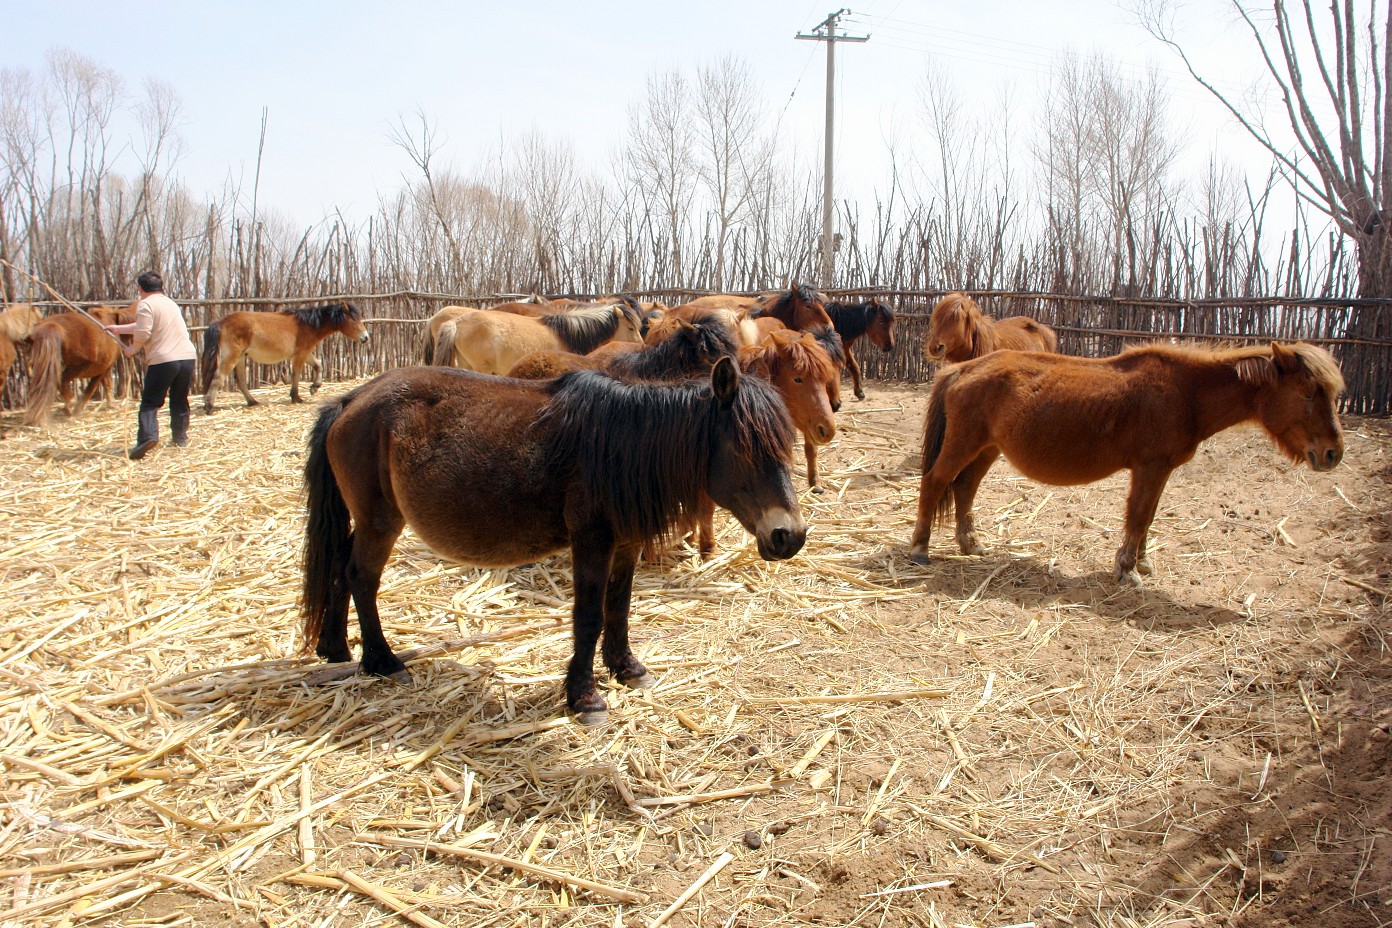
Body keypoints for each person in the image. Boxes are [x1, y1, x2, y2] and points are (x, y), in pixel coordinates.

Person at [104, 271, 197, 460]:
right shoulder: (169, 303)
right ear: (160, 287)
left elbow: (144, 332)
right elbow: (146, 325)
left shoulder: (145, 304)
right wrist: (118, 329)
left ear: (140, 288)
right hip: (187, 357)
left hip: (164, 360)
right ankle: (180, 438)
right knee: (179, 399)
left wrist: (133, 349)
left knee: (150, 402)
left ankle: (148, 438)